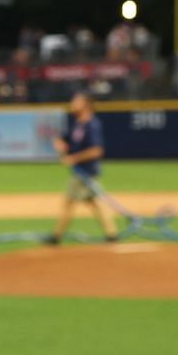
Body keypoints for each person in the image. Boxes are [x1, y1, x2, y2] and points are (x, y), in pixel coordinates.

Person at [47, 91, 120, 243]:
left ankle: (56, 237)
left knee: (69, 202)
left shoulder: (92, 125)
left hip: (86, 172)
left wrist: (74, 158)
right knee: (93, 202)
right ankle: (112, 234)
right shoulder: (78, 123)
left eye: (76, 101)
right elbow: (66, 141)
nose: (72, 104)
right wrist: (60, 143)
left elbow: (96, 150)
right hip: (80, 171)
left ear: (86, 105)